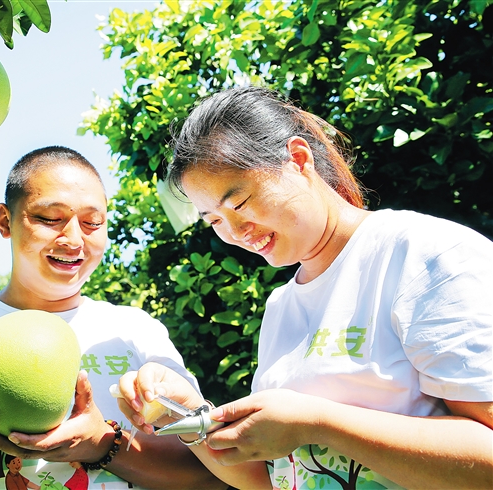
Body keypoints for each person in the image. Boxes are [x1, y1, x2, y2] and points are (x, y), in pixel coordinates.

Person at [115, 86, 493, 490]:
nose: (237, 232)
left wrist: (318, 423)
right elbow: (267, 477)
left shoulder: (423, 253)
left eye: (239, 203)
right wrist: (183, 413)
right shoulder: (281, 306)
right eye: (214, 221)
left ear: (298, 160)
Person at [0, 146, 225, 490]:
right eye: (50, 218)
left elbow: (215, 475)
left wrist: (101, 444)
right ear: (6, 221)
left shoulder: (135, 331)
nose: (74, 239)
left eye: (93, 223)